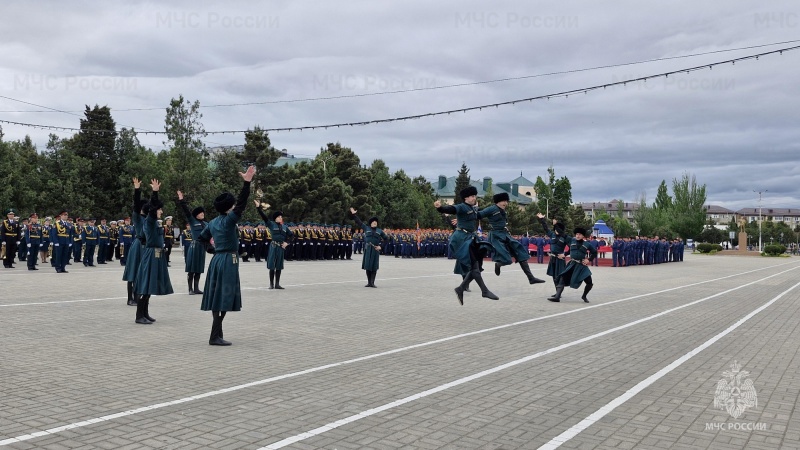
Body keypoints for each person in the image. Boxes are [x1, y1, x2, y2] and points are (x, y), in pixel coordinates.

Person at [197, 165, 256, 346]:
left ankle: (217, 333)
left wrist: (212, 251)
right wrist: (247, 183)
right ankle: (215, 336)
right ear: (229, 207)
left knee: (218, 296)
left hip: (217, 261)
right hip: (228, 260)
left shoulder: (213, 222)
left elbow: (201, 239)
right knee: (225, 296)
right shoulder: (230, 220)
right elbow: (242, 204)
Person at [434, 186, 499, 305]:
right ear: (466, 198)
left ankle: (460, 288)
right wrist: (440, 208)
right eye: (472, 196)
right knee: (474, 266)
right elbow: (451, 209)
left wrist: (495, 209)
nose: (474, 198)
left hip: (471, 237)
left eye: (475, 196)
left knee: (477, 267)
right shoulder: (462, 207)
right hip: (462, 238)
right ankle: (484, 291)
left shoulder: (473, 208)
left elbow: (479, 215)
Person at [481, 192, 547, 285]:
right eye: (503, 201)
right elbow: (478, 214)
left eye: (506, 201)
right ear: (497, 202)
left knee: (520, 252)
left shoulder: (503, 211)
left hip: (504, 234)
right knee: (507, 260)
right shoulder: (491, 209)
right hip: (496, 235)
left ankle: (531, 278)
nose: (505, 203)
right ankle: (498, 264)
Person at [134, 179, 173, 324]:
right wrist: (155, 192)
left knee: (150, 286)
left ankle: (145, 313)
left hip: (158, 254)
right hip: (150, 254)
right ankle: (139, 316)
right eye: (160, 209)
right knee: (145, 285)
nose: (161, 211)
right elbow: (151, 209)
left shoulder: (157, 223)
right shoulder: (149, 222)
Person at [548, 226, 597, 303]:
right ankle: (557, 297)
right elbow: (561, 233)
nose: (578, 236)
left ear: (583, 236)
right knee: (562, 279)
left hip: (581, 266)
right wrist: (556, 224)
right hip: (572, 264)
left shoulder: (587, 244)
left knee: (589, 282)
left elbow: (594, 252)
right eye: (577, 234)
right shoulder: (571, 240)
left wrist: (589, 259)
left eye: (580, 234)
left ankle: (584, 296)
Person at [254, 200, 293, 289]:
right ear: (275, 218)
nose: (281, 218)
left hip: (281, 247)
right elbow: (264, 217)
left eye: (281, 217)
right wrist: (258, 207)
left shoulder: (284, 227)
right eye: (279, 217)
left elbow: (291, 236)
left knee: (279, 265)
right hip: (274, 246)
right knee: (272, 265)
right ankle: (271, 284)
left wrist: (287, 243)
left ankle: (277, 284)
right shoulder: (271, 224)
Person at [177, 191, 208, 295]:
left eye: (203, 212)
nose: (202, 214)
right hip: (194, 247)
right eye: (200, 213)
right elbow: (186, 211)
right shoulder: (192, 221)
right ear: (196, 215)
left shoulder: (206, 224)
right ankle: (190, 289)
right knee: (192, 269)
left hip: (202, 248)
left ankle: (196, 288)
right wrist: (181, 200)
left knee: (199, 268)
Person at [349, 207, 389, 288]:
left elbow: (386, 239)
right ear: (370, 223)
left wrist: (381, 246)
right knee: (367, 265)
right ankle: (368, 282)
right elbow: (359, 222)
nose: (375, 223)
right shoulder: (366, 228)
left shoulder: (379, 231)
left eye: (376, 222)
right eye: (373, 222)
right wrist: (354, 214)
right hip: (368, 249)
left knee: (374, 266)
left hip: (375, 249)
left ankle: (372, 282)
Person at [122, 178, 146, 306]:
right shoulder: (137, 218)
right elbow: (136, 205)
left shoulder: (148, 219)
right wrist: (137, 190)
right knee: (133, 271)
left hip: (145, 246)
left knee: (141, 272)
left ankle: (138, 297)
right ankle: (129, 298)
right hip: (137, 246)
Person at [537, 212, 569, 297]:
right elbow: (546, 228)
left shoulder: (565, 237)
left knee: (560, 276)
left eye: (558, 229)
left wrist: (565, 254)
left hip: (560, 259)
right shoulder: (552, 235)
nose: (556, 231)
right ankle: (557, 292)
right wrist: (542, 219)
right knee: (554, 276)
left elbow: (572, 247)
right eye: (555, 229)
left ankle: (559, 293)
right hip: (553, 258)